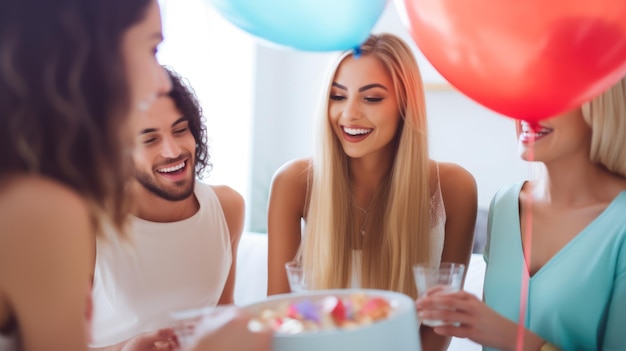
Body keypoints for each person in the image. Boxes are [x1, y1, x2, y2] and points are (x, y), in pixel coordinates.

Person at [0, 1, 270, 350]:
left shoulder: (35, 196)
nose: (160, 80)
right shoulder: (48, 213)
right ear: (91, 58)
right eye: (151, 49)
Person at [267, 33, 477, 350]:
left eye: (372, 98)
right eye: (338, 97)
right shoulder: (294, 183)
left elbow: (438, 329)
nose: (349, 114)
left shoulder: (453, 189)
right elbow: (281, 318)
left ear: (406, 104)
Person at [415, 76, 626, 350]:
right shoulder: (505, 204)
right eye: (524, 96)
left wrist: (508, 336)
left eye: (550, 97)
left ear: (599, 103)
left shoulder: (619, 224)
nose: (528, 111)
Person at [89, 66, 245, 350]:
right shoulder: (87, 225)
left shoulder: (227, 207)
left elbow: (223, 315)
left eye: (180, 130)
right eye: (149, 139)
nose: (173, 151)